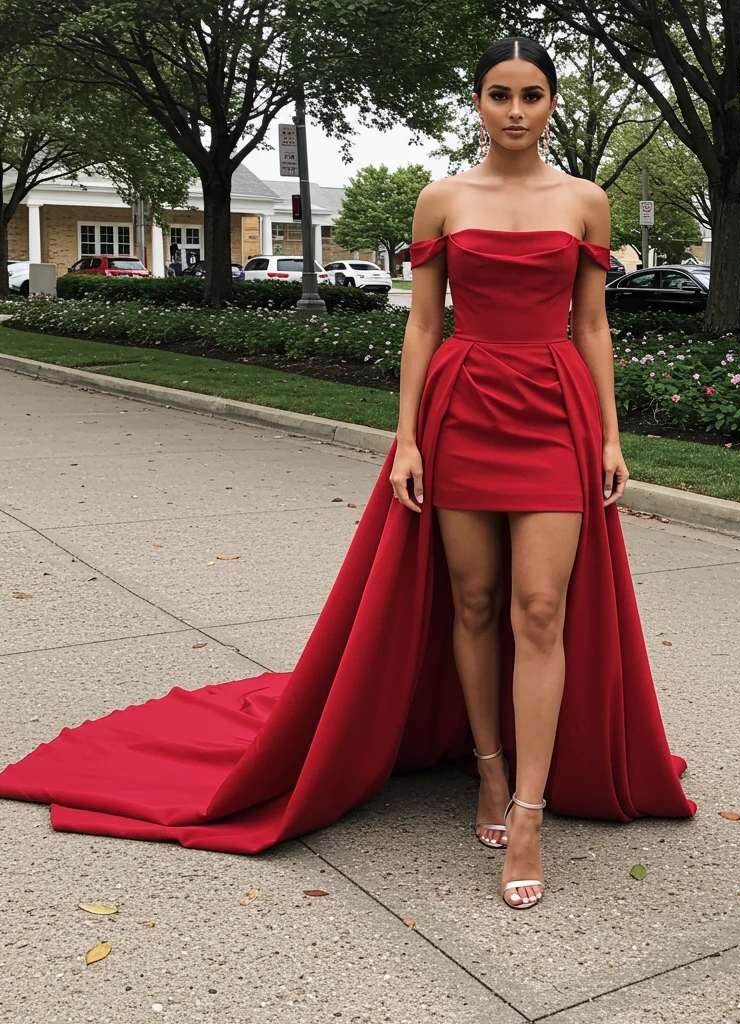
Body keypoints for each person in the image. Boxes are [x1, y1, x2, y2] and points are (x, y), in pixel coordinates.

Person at [0, 36, 695, 909]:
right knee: (474, 602)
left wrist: (610, 436)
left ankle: (528, 810)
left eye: (531, 94)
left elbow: (591, 325)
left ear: (552, 102)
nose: (515, 110)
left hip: (555, 410)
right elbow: (422, 325)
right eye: (498, 94)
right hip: (463, 405)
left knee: (541, 607)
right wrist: (406, 437)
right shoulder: (442, 199)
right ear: (476, 103)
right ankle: (487, 768)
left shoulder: (585, 202)